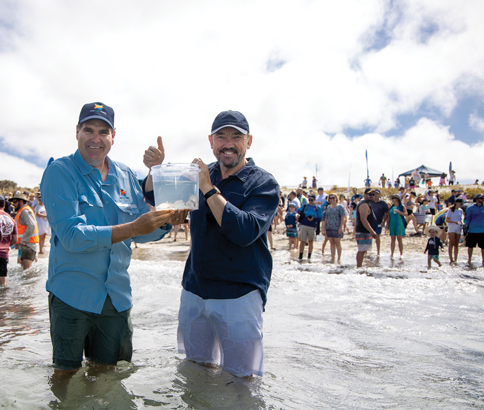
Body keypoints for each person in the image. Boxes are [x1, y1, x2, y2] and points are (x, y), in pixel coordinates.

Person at [40, 102, 181, 375]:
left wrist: (167, 217)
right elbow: (71, 236)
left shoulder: (127, 175)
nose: (96, 138)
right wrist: (132, 229)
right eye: (88, 130)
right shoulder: (60, 172)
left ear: (113, 136)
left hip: (116, 299)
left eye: (103, 132)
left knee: (110, 379)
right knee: (65, 378)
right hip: (71, 297)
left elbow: (146, 228)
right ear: (77, 132)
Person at [164, 109, 279, 378]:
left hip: (239, 295)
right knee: (195, 372)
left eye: (236, 137)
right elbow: (160, 198)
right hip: (194, 291)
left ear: (248, 141)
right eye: (221, 136)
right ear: (211, 141)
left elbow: (244, 231)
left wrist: (208, 188)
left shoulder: (264, 183)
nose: (228, 143)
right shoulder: (199, 174)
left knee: (242, 382)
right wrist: (154, 170)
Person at [463, 193, 484, 266]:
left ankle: (483, 261)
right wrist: (466, 229)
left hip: (483, 230)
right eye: (481, 198)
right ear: (477, 199)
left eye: (483, 198)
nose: (483, 200)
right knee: (470, 246)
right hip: (472, 230)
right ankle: (469, 260)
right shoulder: (470, 208)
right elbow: (467, 220)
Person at [9, 192, 39, 270]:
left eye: (15, 201)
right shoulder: (21, 211)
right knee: (24, 270)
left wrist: (23, 241)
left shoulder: (25, 211)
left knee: (27, 270)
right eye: (12, 202)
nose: (13, 204)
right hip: (25, 244)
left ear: (21, 202)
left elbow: (31, 226)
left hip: (28, 244)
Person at [355, 189, 379, 267]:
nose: (372, 196)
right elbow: (363, 219)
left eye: (373, 195)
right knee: (361, 250)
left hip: (365, 231)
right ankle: (359, 267)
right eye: (370, 194)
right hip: (363, 231)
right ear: (365, 194)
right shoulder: (363, 204)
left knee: (364, 250)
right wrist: (372, 231)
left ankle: (361, 266)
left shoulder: (366, 203)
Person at [297, 194, 323, 261]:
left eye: (312, 200)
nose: (310, 201)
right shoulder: (305, 206)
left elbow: (320, 218)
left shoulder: (318, 208)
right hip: (303, 225)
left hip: (312, 226)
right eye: (309, 200)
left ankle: (309, 256)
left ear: (315, 200)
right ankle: (300, 256)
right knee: (302, 241)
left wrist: (313, 219)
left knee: (311, 241)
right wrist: (296, 214)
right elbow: (297, 210)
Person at [321, 193, 345, 263]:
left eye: (333, 198)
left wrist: (341, 227)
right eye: (330, 198)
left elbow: (343, 217)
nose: (332, 199)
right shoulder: (328, 207)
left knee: (337, 243)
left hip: (337, 227)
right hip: (329, 227)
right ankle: (332, 258)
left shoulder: (340, 207)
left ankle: (339, 258)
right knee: (331, 243)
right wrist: (323, 228)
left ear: (336, 198)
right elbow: (325, 218)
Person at [369, 189, 389, 255]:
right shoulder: (370, 202)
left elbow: (386, 213)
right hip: (370, 222)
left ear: (379, 194)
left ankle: (378, 252)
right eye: (374, 194)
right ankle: (368, 251)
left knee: (377, 236)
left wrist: (384, 222)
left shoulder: (383, 203)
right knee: (369, 236)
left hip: (378, 222)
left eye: (377, 194)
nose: (375, 195)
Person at [388, 194, 407, 258]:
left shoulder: (401, 206)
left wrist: (399, 212)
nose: (392, 199)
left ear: (397, 199)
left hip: (399, 223)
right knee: (392, 239)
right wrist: (387, 224)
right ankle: (392, 253)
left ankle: (401, 253)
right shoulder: (391, 206)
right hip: (392, 223)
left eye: (393, 198)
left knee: (399, 239)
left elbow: (406, 214)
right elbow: (389, 216)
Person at [445, 199, 464, 263]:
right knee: (451, 243)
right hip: (452, 227)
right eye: (460, 203)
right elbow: (447, 220)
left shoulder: (460, 210)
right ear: (456, 203)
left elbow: (460, 219)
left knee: (456, 243)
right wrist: (454, 222)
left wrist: (461, 223)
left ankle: (456, 259)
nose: (461, 204)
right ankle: (451, 258)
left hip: (458, 227)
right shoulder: (450, 210)